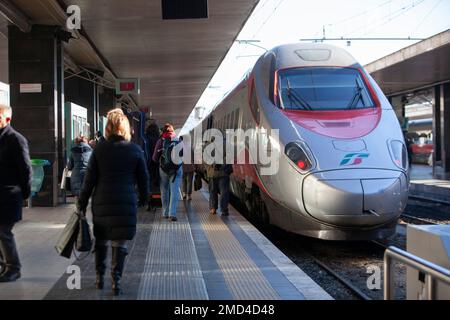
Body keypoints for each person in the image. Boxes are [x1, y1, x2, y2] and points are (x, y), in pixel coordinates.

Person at [77, 108, 149, 296]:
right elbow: (144, 179)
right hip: (125, 202)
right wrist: (143, 199)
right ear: (126, 129)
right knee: (120, 243)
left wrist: (81, 203)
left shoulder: (99, 149)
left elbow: (89, 180)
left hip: (102, 201)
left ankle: (100, 277)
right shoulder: (135, 150)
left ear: (108, 128)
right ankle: (116, 280)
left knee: (101, 240)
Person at [0, 104, 32, 282]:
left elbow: (26, 169)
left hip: (9, 196)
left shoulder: (16, 139)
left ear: (7, 119)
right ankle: (6, 266)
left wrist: (24, 194)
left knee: (3, 232)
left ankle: (13, 267)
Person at [152, 124, 182, 221]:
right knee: (174, 192)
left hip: (163, 170)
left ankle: (165, 212)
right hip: (176, 170)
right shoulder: (178, 140)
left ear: (163, 132)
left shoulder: (161, 141)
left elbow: (154, 158)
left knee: (164, 191)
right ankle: (172, 214)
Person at [206, 138, 233, 216]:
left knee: (212, 191)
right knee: (224, 192)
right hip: (223, 173)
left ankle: (213, 208)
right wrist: (221, 165)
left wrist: (211, 167)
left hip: (213, 173)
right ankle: (224, 210)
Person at [67, 136, 92, 200]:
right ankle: (84, 207)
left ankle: (79, 208)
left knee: (77, 194)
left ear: (76, 142)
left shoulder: (73, 152)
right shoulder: (91, 152)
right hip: (87, 174)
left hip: (76, 175)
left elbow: (69, 166)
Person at [145, 122, 161, 211]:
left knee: (149, 182)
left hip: (148, 163)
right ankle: (156, 202)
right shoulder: (159, 139)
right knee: (157, 182)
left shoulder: (146, 139)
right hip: (157, 163)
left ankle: (148, 201)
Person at [181, 135, 195, 201]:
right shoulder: (191, 148)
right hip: (190, 167)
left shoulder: (180, 148)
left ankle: (184, 193)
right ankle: (189, 195)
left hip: (183, 167)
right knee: (189, 181)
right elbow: (194, 158)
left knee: (183, 180)